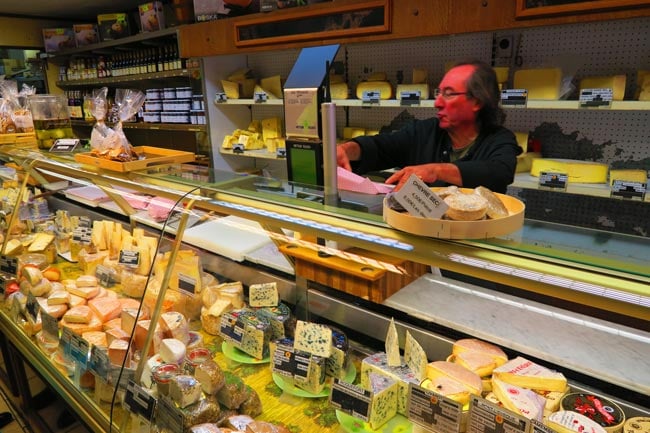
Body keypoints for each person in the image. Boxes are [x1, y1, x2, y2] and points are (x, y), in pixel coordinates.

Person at [336, 60, 522, 194]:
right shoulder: (425, 132)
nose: (437, 103)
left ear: (477, 101)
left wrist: (435, 170)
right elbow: (383, 146)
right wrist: (347, 149)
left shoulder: (499, 139)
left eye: (448, 94)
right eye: (438, 93)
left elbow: (498, 172)